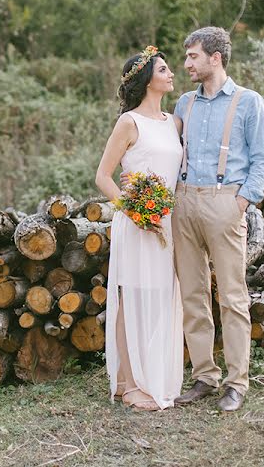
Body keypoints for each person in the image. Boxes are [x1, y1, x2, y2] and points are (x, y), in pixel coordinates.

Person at [170, 26, 264, 412]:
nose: (186, 64)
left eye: (193, 56)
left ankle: (236, 383)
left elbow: (262, 159)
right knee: (192, 295)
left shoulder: (249, 102)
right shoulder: (184, 103)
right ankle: (204, 377)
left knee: (232, 297)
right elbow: (167, 150)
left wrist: (241, 202)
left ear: (216, 58)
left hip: (225, 203)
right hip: (185, 203)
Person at [95, 46, 184, 411]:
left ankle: (146, 374)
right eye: (164, 69)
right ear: (148, 79)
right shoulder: (129, 123)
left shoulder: (174, 123)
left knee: (160, 295)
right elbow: (103, 177)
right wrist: (133, 210)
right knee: (129, 297)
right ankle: (129, 384)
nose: (171, 73)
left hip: (165, 222)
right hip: (135, 222)